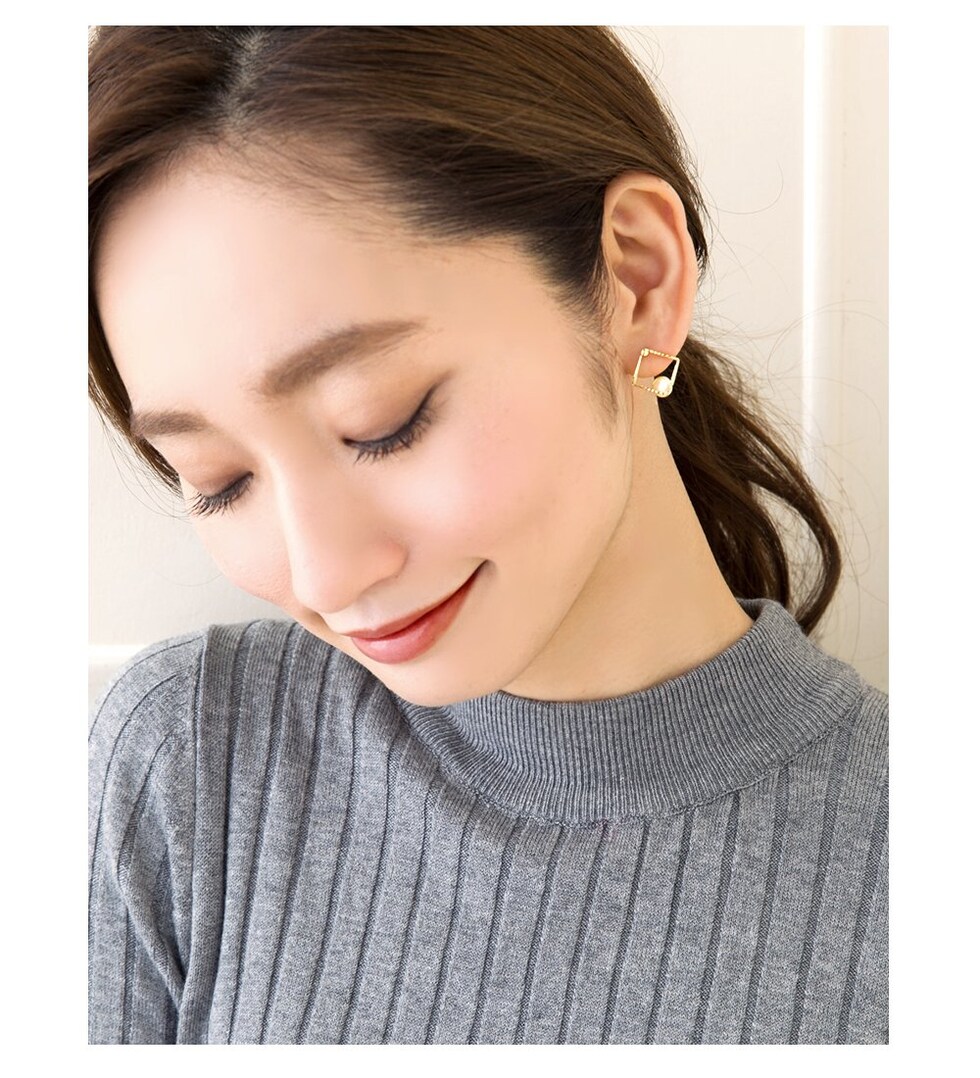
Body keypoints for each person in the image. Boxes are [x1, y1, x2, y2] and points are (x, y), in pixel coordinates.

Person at [88, 26, 887, 1045]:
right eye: (218, 481)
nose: (324, 576)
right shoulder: (190, 769)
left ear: (639, 281)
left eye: (383, 422)